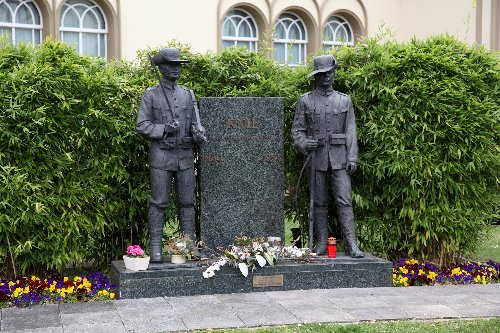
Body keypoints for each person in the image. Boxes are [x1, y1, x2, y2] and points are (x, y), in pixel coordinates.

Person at [136, 48, 207, 263]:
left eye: (178, 65)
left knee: (187, 202)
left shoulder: (188, 94)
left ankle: (189, 246)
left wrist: (198, 133)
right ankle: (155, 248)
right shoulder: (151, 94)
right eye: (171, 65)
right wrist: (164, 129)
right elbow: (142, 125)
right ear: (162, 67)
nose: (176, 69)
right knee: (159, 202)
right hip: (161, 157)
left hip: (184, 157)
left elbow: (196, 124)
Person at [292, 54, 364, 258]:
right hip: (317, 159)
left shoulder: (344, 100)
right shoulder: (305, 101)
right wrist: (305, 143)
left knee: (345, 200)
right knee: (319, 202)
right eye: (323, 73)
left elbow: (351, 130)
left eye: (330, 72)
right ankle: (322, 243)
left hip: (340, 159)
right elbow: (298, 131)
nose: (327, 77)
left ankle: (352, 244)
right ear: (316, 76)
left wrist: (352, 157)